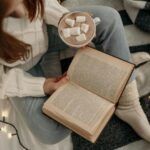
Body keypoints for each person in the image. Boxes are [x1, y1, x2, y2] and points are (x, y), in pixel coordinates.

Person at [0, 0, 149, 145]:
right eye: (13, 13)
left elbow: (45, 4)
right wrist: (42, 86)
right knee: (49, 134)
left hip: (45, 32)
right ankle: (119, 66)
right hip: (18, 68)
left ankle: (128, 103)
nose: (23, 12)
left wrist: (66, 22)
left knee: (110, 18)